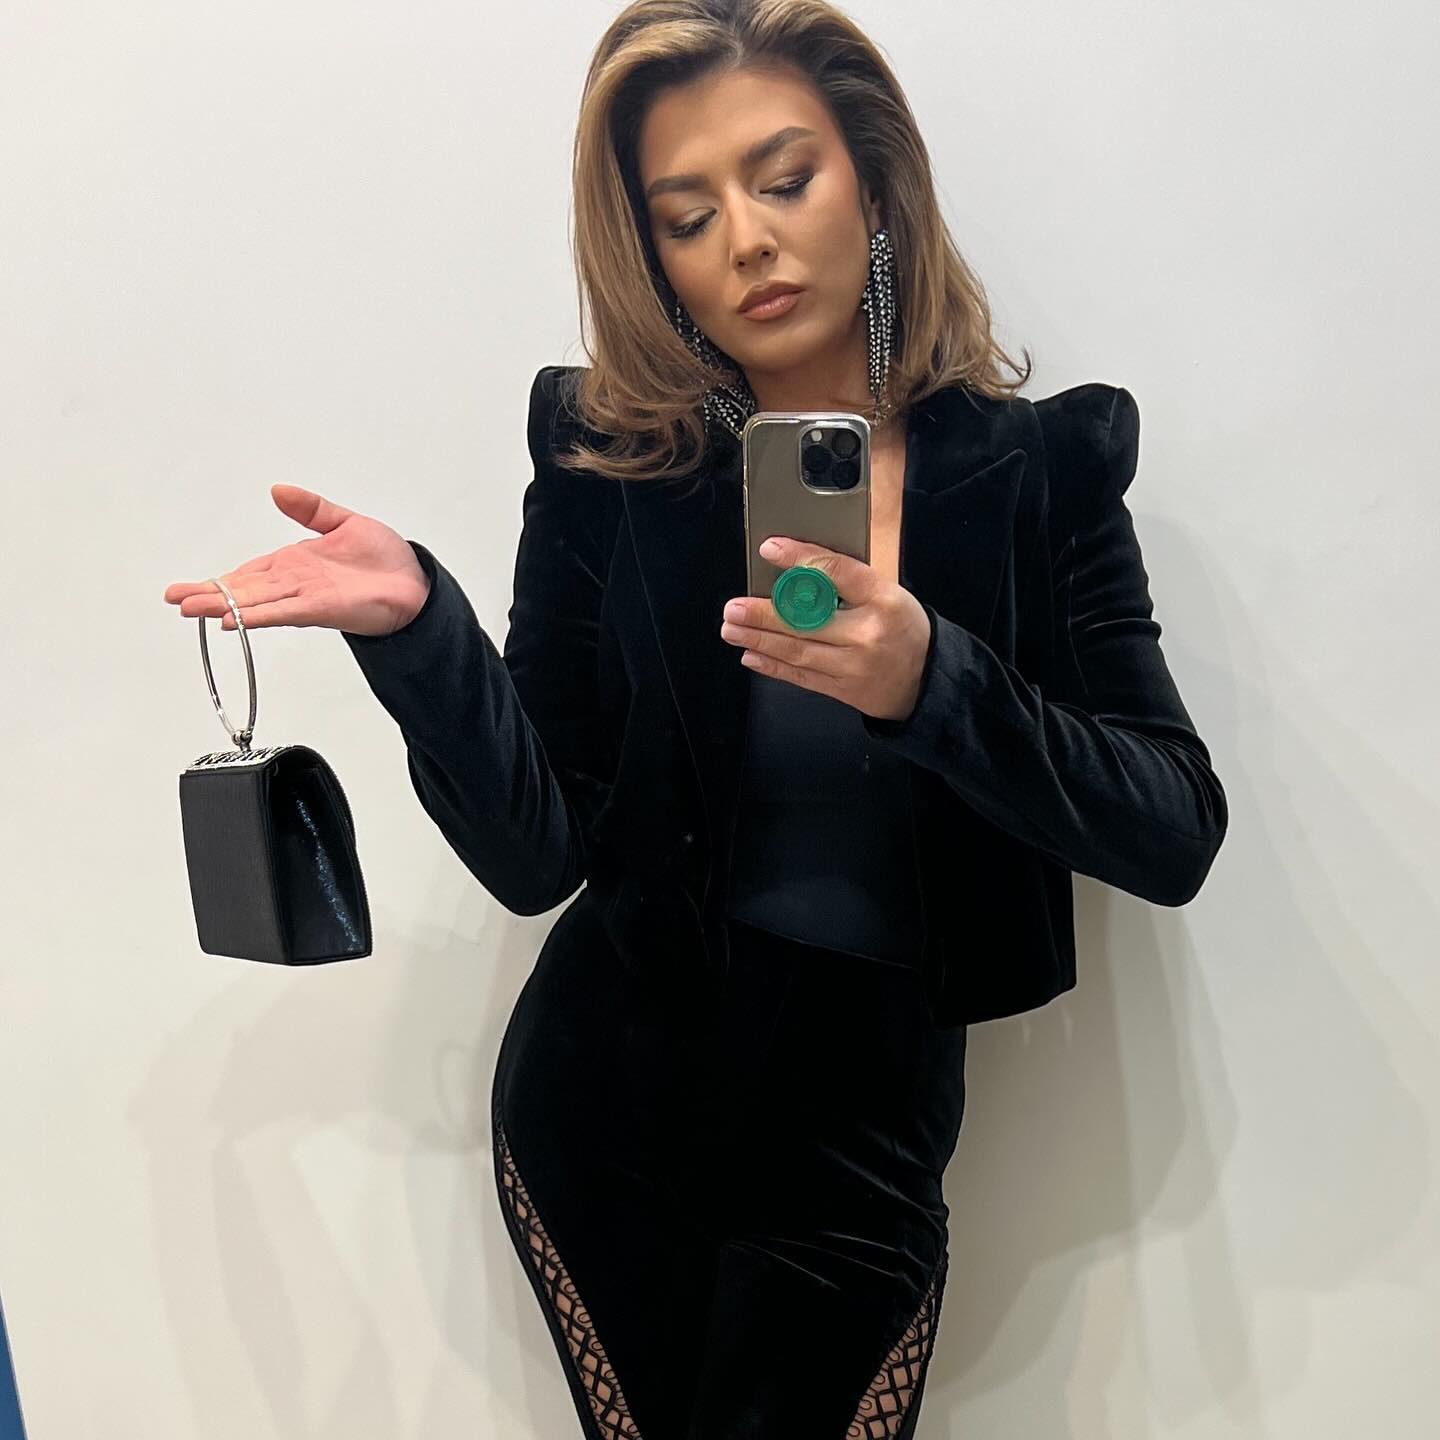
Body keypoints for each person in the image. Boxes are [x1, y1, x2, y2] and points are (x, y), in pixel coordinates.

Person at [162, 3, 1229, 1435]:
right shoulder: (611, 463)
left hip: (862, 1148)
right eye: (687, 215)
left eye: (784, 179)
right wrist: (420, 632)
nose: (748, 241)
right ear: (650, 251)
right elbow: (539, 851)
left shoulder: (1041, 472)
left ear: (875, 181)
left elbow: (1173, 830)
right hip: (610, 1107)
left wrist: (935, 684)